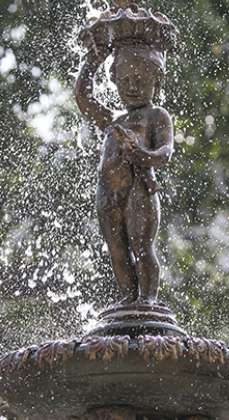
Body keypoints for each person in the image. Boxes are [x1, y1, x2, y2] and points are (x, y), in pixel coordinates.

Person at [75, 43, 174, 304]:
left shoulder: (157, 115)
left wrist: (143, 155)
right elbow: (84, 99)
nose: (132, 87)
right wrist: (93, 61)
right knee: (117, 250)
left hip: (138, 188)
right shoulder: (113, 119)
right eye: (125, 80)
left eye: (140, 80)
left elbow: (165, 152)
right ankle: (128, 300)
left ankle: (147, 300)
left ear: (157, 82)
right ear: (115, 81)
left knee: (142, 248)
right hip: (108, 192)